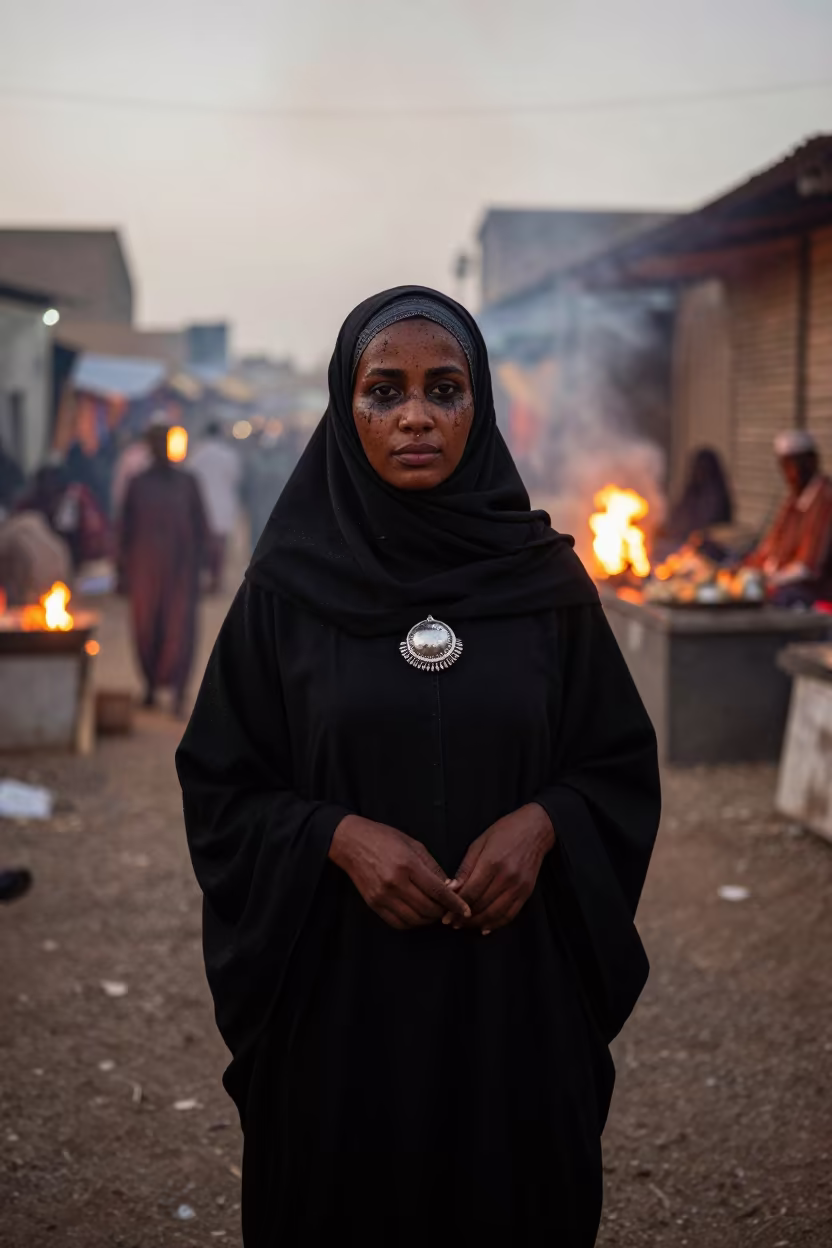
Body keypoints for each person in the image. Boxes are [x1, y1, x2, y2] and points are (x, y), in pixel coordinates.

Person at [176, 287, 660, 1248]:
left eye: (445, 390)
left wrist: (546, 822)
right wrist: (335, 837)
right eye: (383, 391)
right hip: (339, 1011)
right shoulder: (285, 594)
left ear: (478, 408)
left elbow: (615, 764)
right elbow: (222, 784)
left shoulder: (548, 588)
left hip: (513, 1004)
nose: (414, 417)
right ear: (343, 409)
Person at [119, 424, 209, 716]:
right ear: (148, 446)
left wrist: (206, 568)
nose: (160, 447)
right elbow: (124, 529)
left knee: (180, 632)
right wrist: (121, 571)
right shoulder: (137, 484)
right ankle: (149, 687)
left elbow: (201, 526)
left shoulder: (188, 482)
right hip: (144, 571)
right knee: (145, 630)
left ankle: (179, 693)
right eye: (155, 442)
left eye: (164, 442)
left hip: (181, 571)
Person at [745, 430, 832, 606]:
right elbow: (771, 546)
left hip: (813, 589)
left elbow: (807, 567)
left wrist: (769, 580)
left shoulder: (825, 500)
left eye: (797, 465)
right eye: (786, 466)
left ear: (812, 461)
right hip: (778, 578)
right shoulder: (794, 500)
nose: (791, 474)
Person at [188, 422, 242, 593]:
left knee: (203, 545)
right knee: (219, 546)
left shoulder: (197, 454)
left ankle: (206, 580)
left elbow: (189, 477)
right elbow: (236, 478)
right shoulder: (229, 455)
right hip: (223, 504)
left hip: (202, 505)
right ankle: (216, 580)